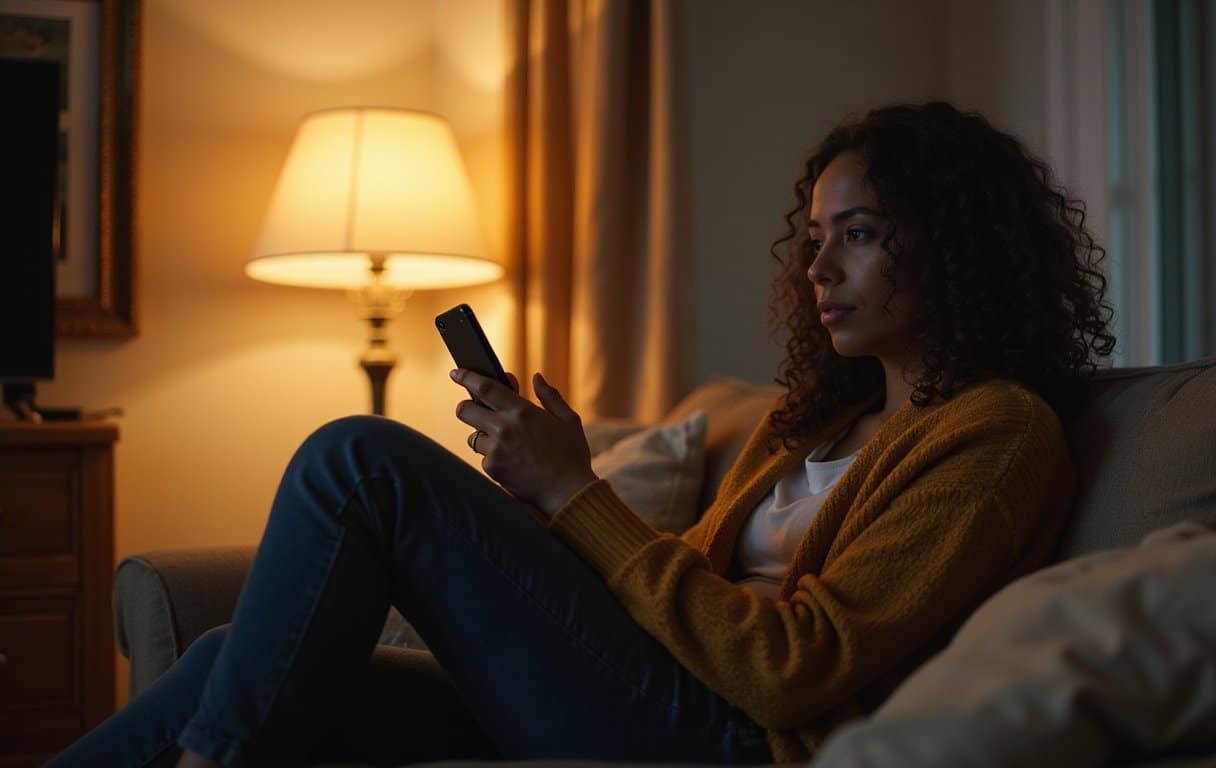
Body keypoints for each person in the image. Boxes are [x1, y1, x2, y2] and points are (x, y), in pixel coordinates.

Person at [48, 101, 1114, 767]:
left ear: (956, 248)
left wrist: (579, 498)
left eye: (861, 236)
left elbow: (794, 670)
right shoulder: (810, 421)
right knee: (236, 655)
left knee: (360, 462)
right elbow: (683, 584)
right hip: (653, 689)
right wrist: (554, 504)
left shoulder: (997, 435)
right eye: (815, 240)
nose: (819, 269)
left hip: (737, 742)